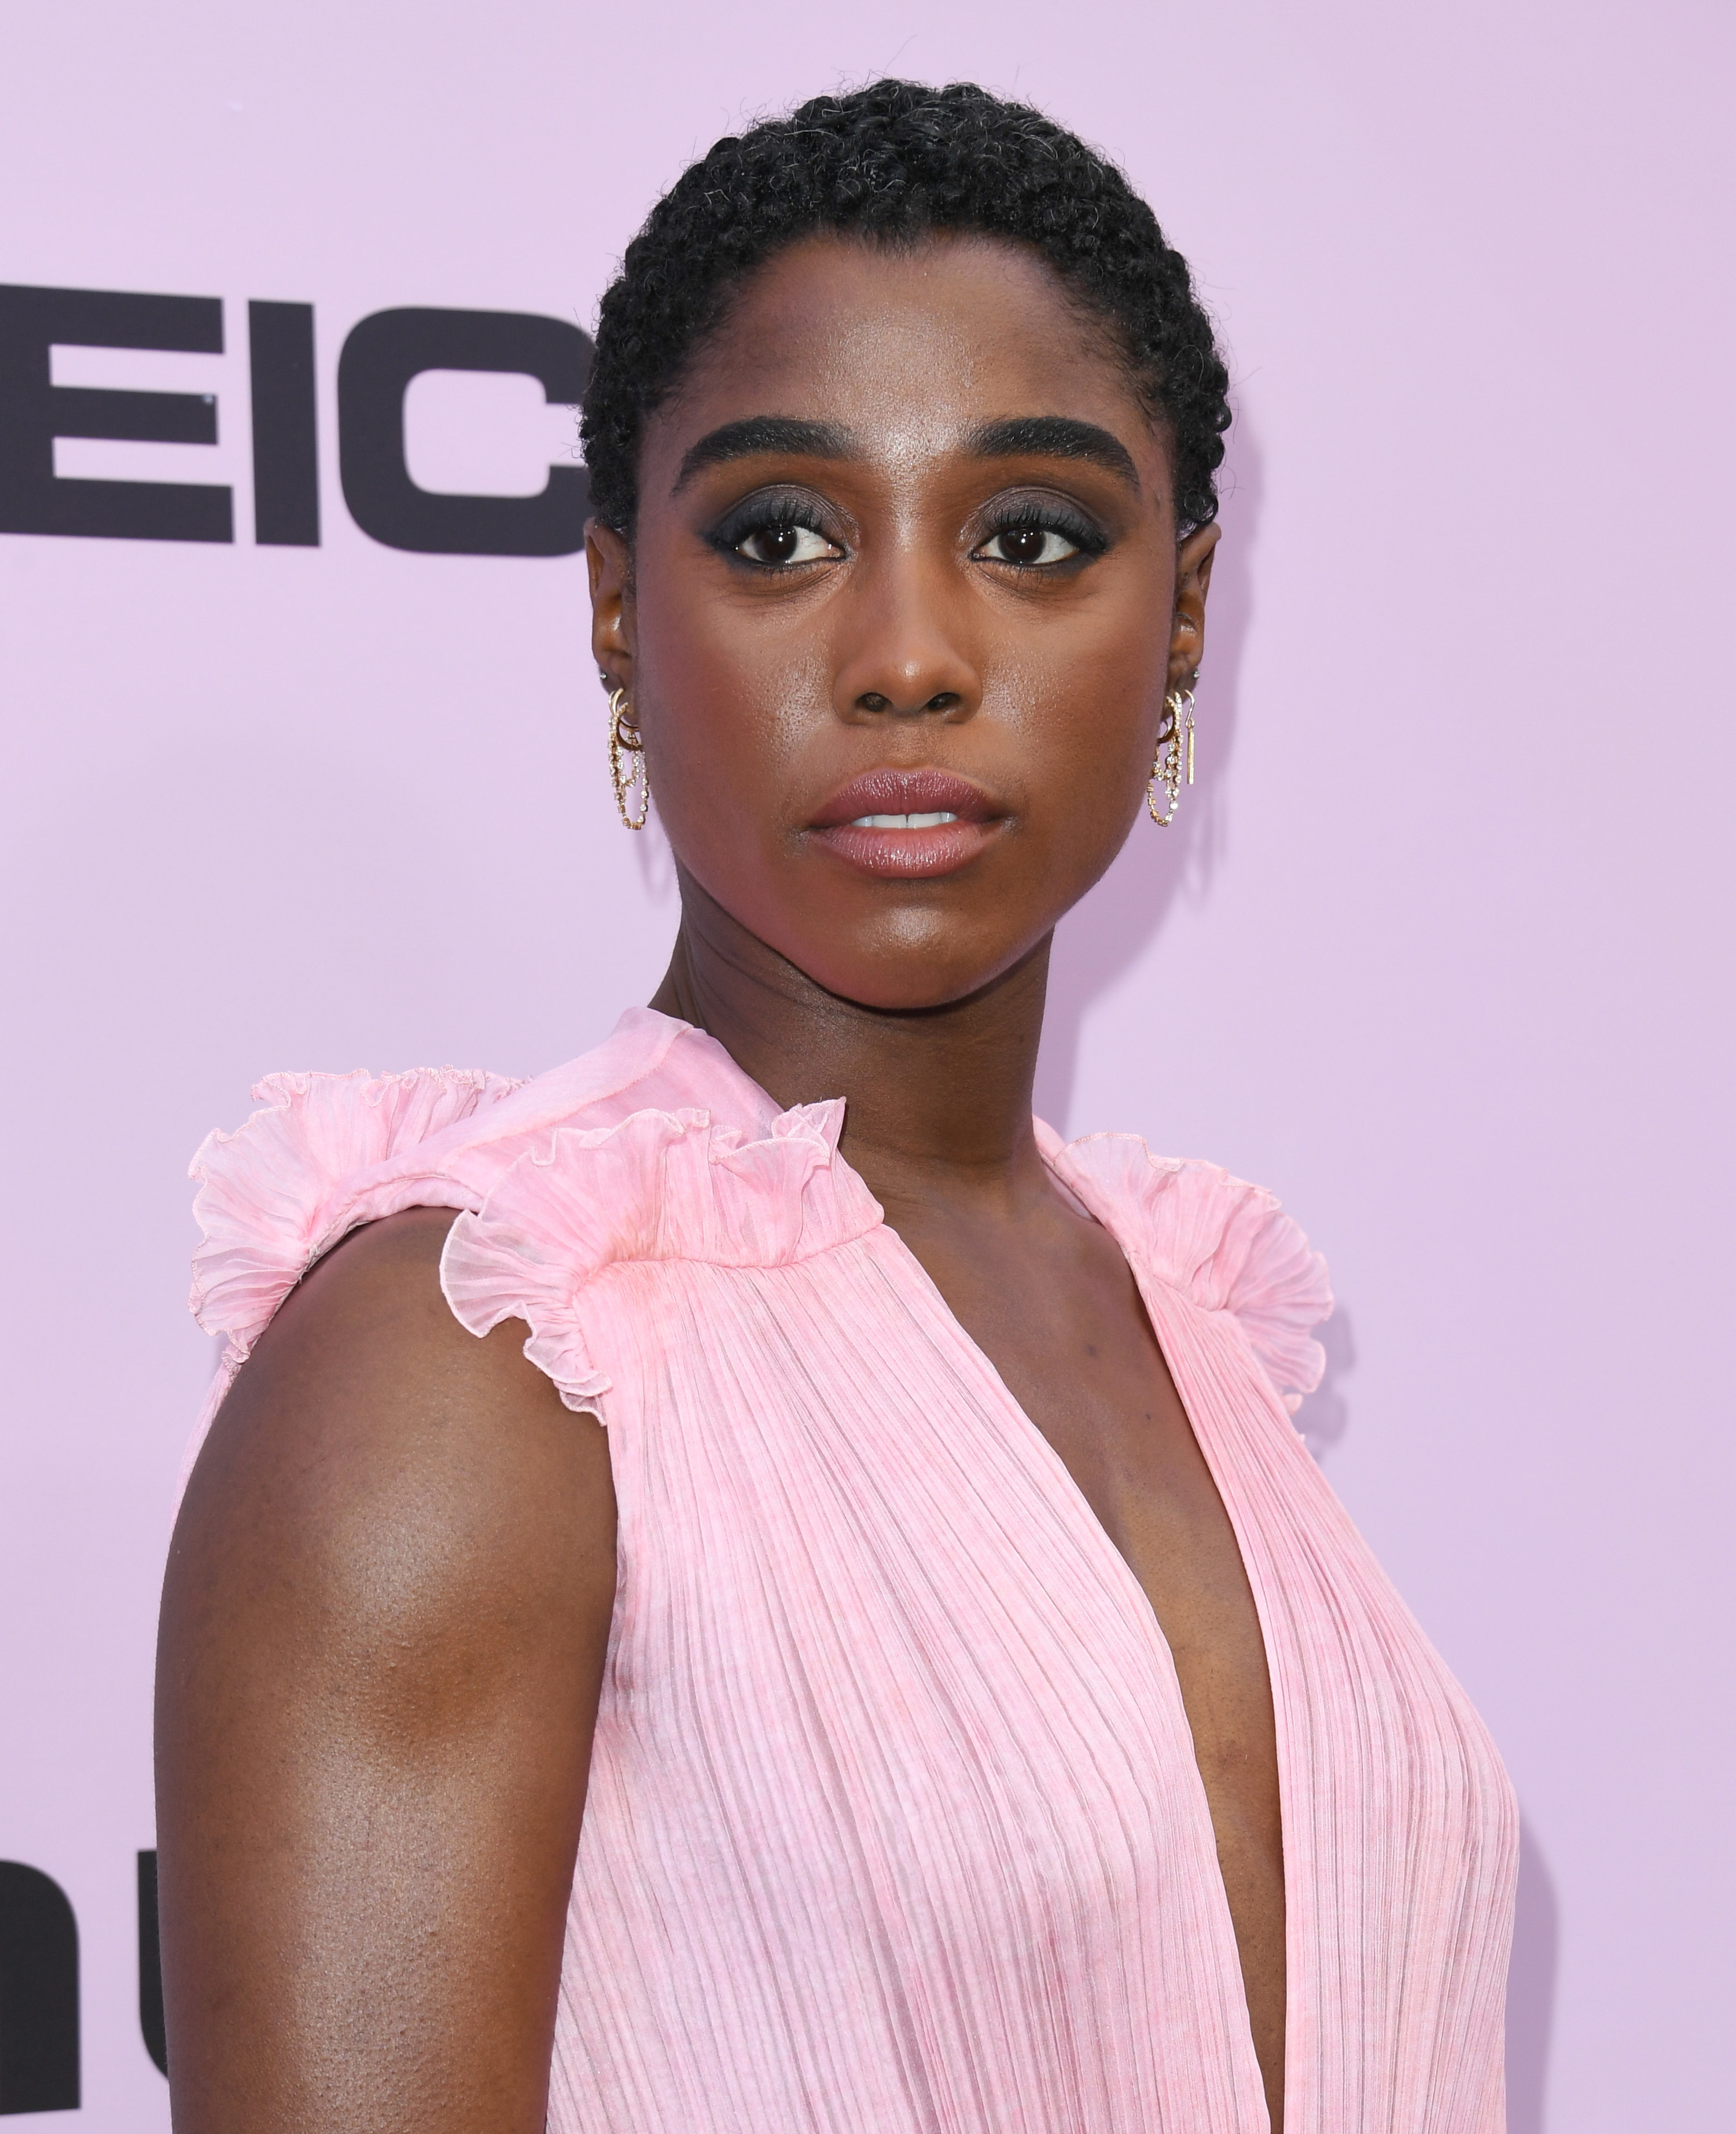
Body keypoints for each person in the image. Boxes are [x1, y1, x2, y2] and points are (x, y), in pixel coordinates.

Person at [156, 80, 1517, 2134]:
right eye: (782, 535)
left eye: (1032, 539)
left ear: (1185, 618)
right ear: (619, 609)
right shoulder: (483, 1354)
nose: (908, 656)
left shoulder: (1180, 1306)